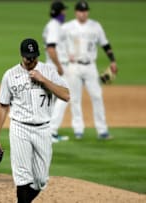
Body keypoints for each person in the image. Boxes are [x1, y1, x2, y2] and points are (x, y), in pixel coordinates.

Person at [0, 38, 69, 203]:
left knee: (40, 180)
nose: (31, 61)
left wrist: (44, 80)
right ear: (21, 55)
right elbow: (3, 107)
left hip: (44, 129)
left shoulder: (48, 71)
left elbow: (66, 95)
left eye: (34, 57)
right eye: (28, 58)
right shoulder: (10, 75)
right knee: (23, 178)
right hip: (20, 128)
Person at [63, 0, 117, 139]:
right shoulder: (67, 27)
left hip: (90, 66)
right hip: (74, 66)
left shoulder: (95, 26)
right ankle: (78, 129)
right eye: (81, 11)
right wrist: (64, 56)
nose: (83, 13)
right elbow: (56, 44)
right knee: (75, 98)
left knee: (97, 96)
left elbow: (105, 44)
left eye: (85, 11)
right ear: (76, 12)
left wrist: (112, 60)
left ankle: (102, 130)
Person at [42, 0, 70, 143]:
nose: (65, 13)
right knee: (62, 98)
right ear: (59, 12)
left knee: (53, 100)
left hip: (52, 65)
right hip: (55, 67)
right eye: (63, 10)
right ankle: (51, 131)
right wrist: (59, 66)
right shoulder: (54, 26)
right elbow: (51, 48)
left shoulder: (54, 26)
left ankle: (49, 131)